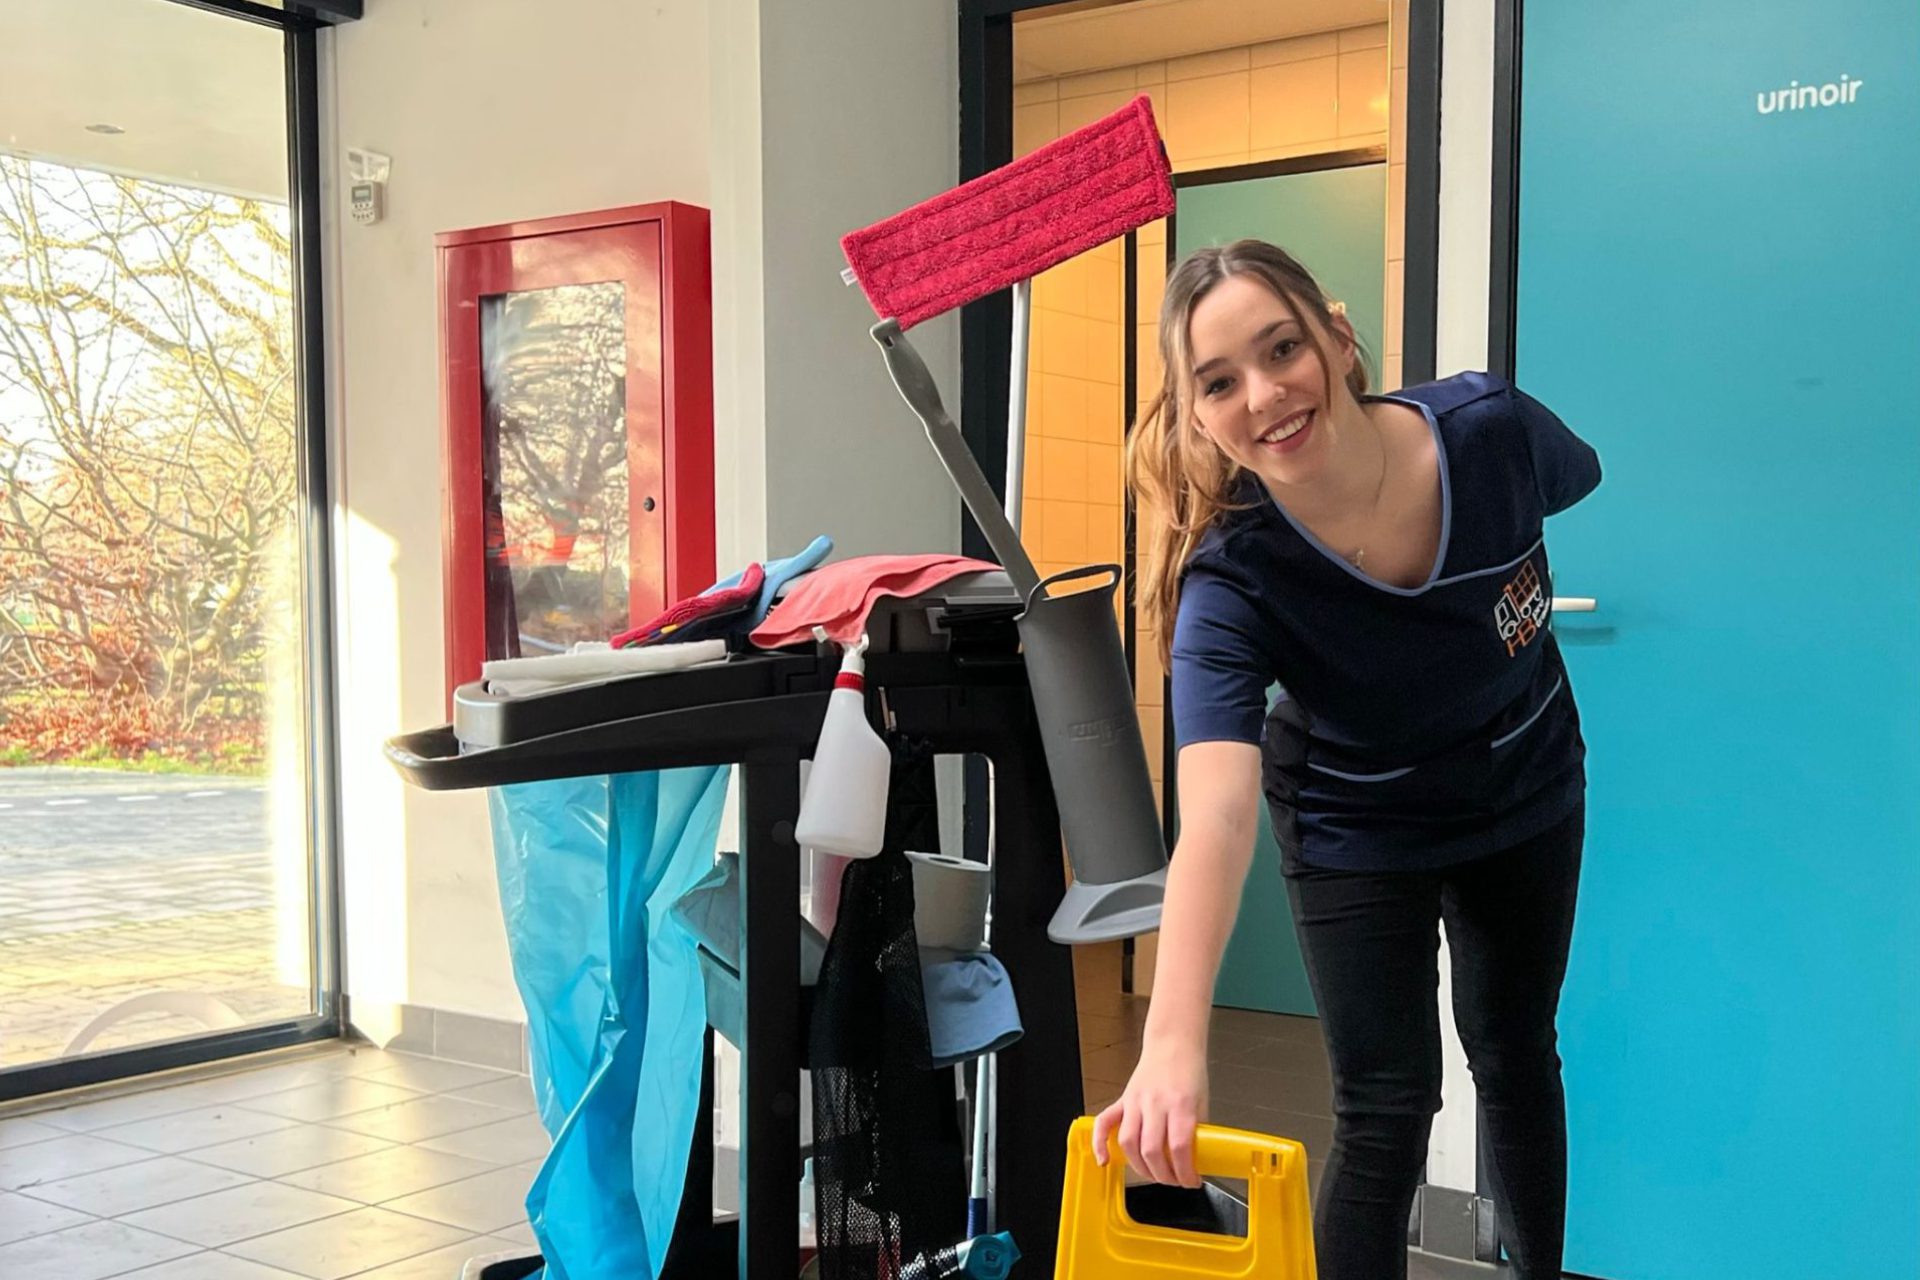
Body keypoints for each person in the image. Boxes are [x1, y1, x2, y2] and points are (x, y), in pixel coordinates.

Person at [1091, 239, 1600, 1280]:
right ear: (1198, 417)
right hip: (1355, 822)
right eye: (1219, 382)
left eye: (1282, 348)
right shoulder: (1233, 581)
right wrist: (1173, 1039)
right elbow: (1216, 812)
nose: (1265, 394)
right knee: (1386, 1105)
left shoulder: (1493, 431)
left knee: (1515, 1049)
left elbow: (1572, 478)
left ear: (1337, 335)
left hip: (1525, 781)